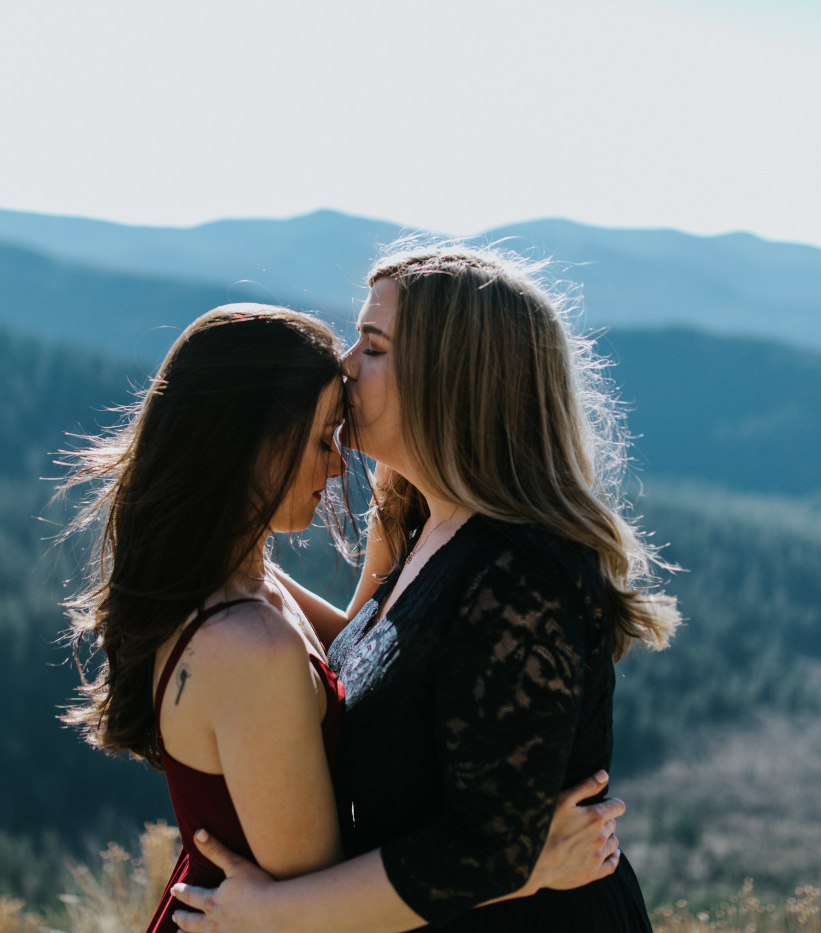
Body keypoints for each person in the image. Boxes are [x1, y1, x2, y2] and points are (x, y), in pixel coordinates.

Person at [59, 304, 626, 933]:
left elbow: (366, 658)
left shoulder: (246, 585)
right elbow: (323, 909)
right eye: (320, 438)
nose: (335, 468)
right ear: (249, 442)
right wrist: (519, 866)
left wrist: (407, 492)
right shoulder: (250, 644)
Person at [169, 247, 680, 932]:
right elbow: (353, 660)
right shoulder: (421, 520)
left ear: (452, 378)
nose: (345, 364)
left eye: (372, 346)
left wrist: (272, 913)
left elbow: (483, 850)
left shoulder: (520, 574)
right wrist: (214, 524)